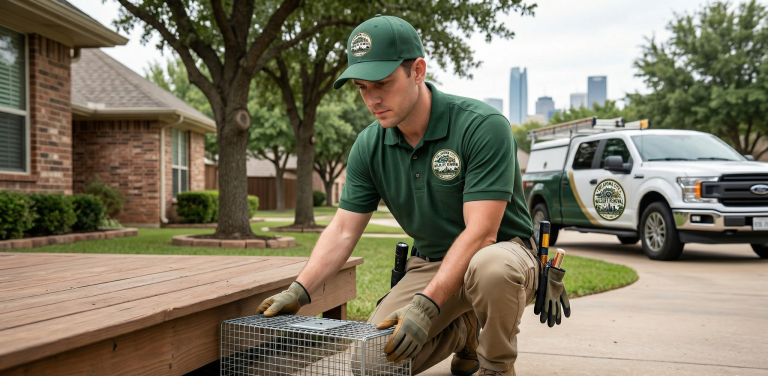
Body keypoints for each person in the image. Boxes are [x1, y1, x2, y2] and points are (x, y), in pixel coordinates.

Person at [257, 14, 570, 376]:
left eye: (383, 83)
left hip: (503, 254)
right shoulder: (369, 146)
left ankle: (496, 365)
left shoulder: (482, 126)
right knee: (371, 362)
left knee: (491, 268)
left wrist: (426, 307)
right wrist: (299, 291)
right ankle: (464, 329)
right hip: (433, 263)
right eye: (362, 87)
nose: (372, 99)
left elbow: (482, 233)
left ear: (417, 70)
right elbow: (343, 230)